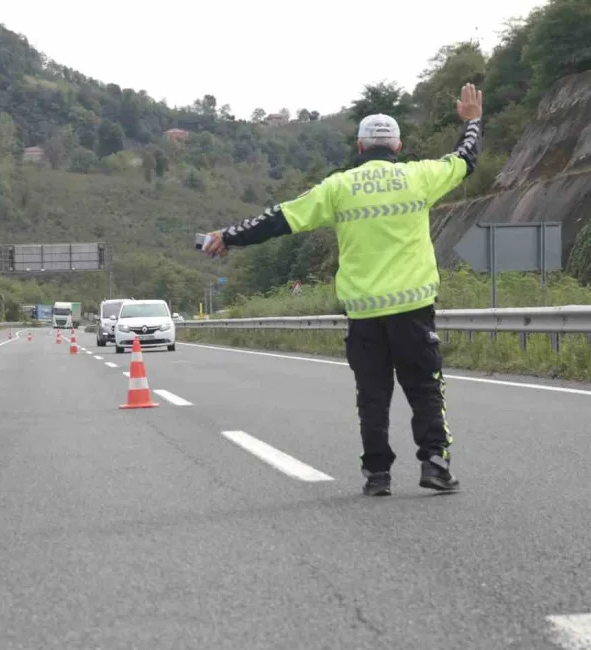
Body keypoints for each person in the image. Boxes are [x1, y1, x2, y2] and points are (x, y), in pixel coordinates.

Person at [202, 83, 484, 497]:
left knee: (372, 396)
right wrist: (472, 121)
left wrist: (229, 235)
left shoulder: (338, 187)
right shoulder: (420, 176)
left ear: (360, 146)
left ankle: (377, 476)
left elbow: (280, 218)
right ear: (399, 145)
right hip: (414, 309)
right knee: (425, 387)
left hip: (364, 313)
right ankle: (435, 463)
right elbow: (465, 158)